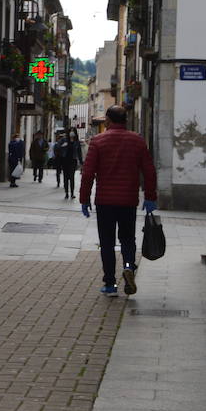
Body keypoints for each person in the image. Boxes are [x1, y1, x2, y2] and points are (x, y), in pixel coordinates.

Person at [79, 104, 157, 296]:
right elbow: (149, 171)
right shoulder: (137, 141)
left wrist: (84, 198)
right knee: (128, 239)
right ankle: (129, 266)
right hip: (128, 200)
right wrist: (150, 197)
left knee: (107, 242)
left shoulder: (98, 141)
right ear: (125, 121)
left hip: (105, 201)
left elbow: (88, 173)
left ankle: (110, 284)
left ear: (108, 120)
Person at [60, 128, 84, 199]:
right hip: (65, 161)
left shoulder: (77, 142)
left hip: (73, 161)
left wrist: (81, 162)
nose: (72, 133)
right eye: (70, 131)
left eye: (73, 131)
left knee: (72, 177)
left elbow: (79, 153)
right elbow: (58, 147)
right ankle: (66, 193)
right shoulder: (64, 140)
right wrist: (62, 146)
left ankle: (72, 193)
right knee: (65, 178)